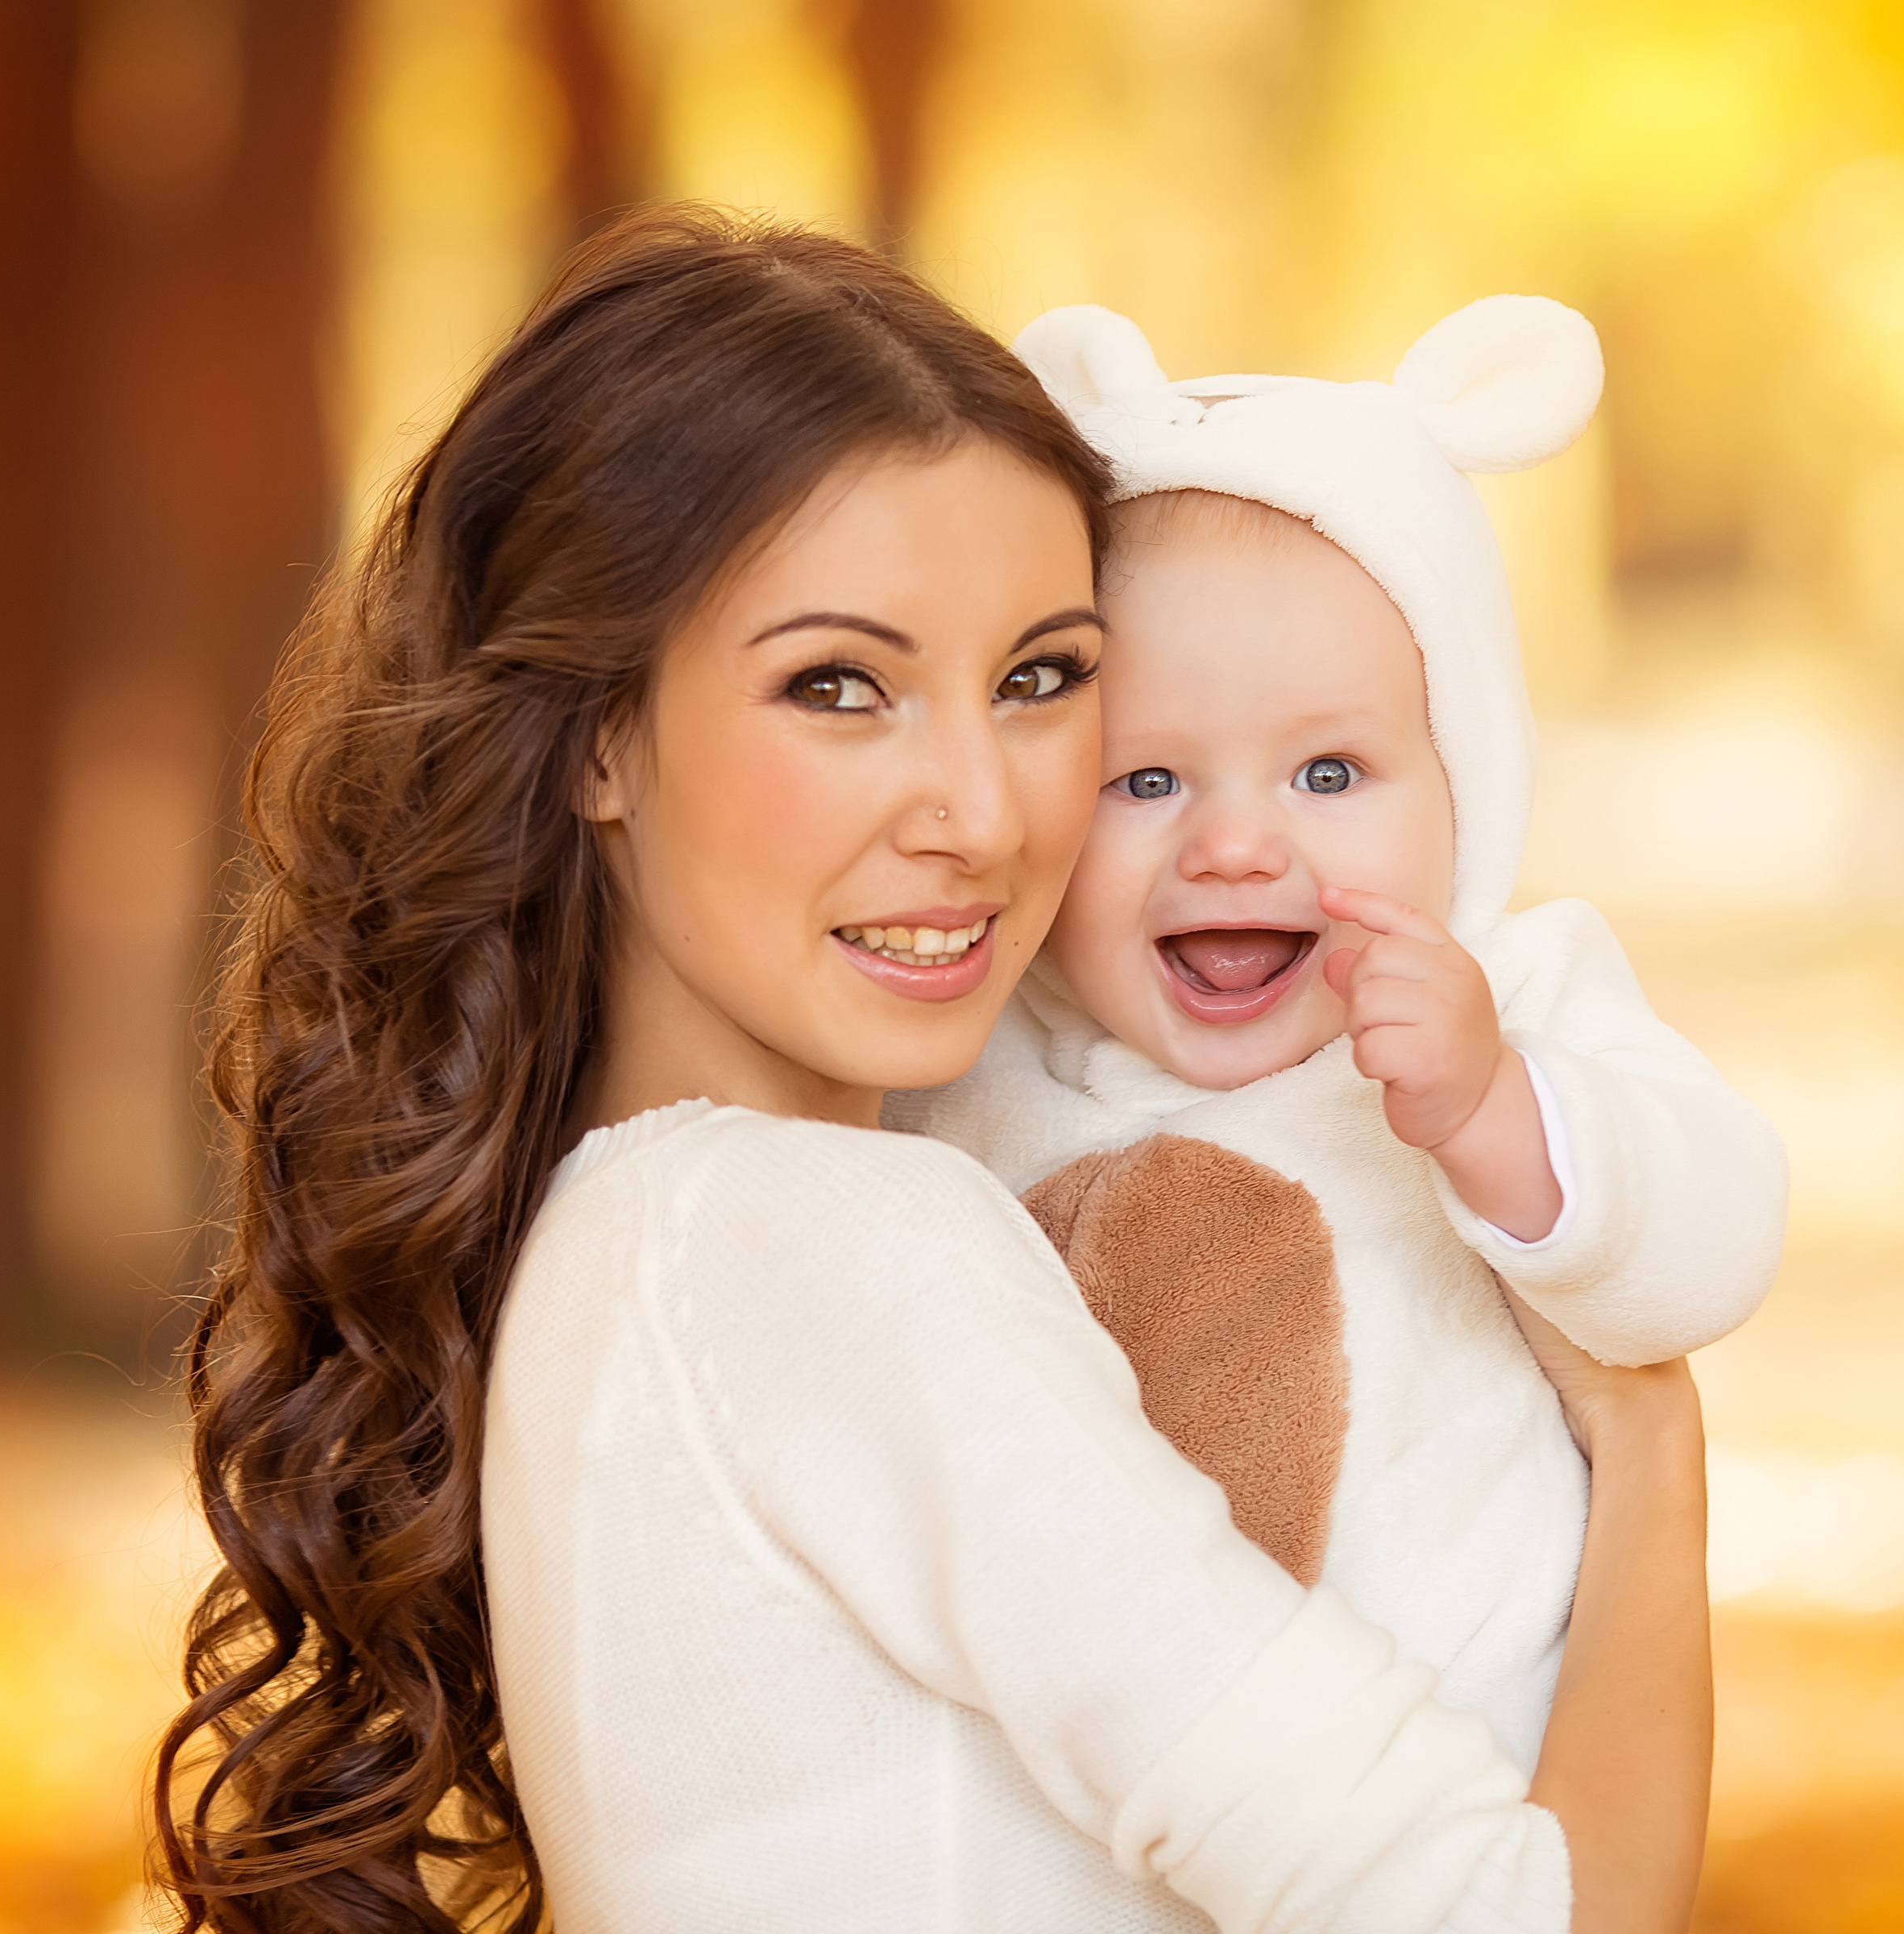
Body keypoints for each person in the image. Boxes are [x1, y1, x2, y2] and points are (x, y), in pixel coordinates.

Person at [157, 209, 1708, 1934]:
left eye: (1043, 679)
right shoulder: (830, 1245)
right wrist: (1647, 1439)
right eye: (841, 686)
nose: (982, 813)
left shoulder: (621, 1235)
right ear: (596, 736)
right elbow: (1519, 1917)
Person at [890, 297, 1784, 1844]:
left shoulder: (1514, 1001)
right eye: (1144, 779)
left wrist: (1506, 1120)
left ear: (1464, 791)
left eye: (1329, 772)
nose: (1237, 842)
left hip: (1454, 1801)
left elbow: (1714, 1249)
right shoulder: (971, 1062)